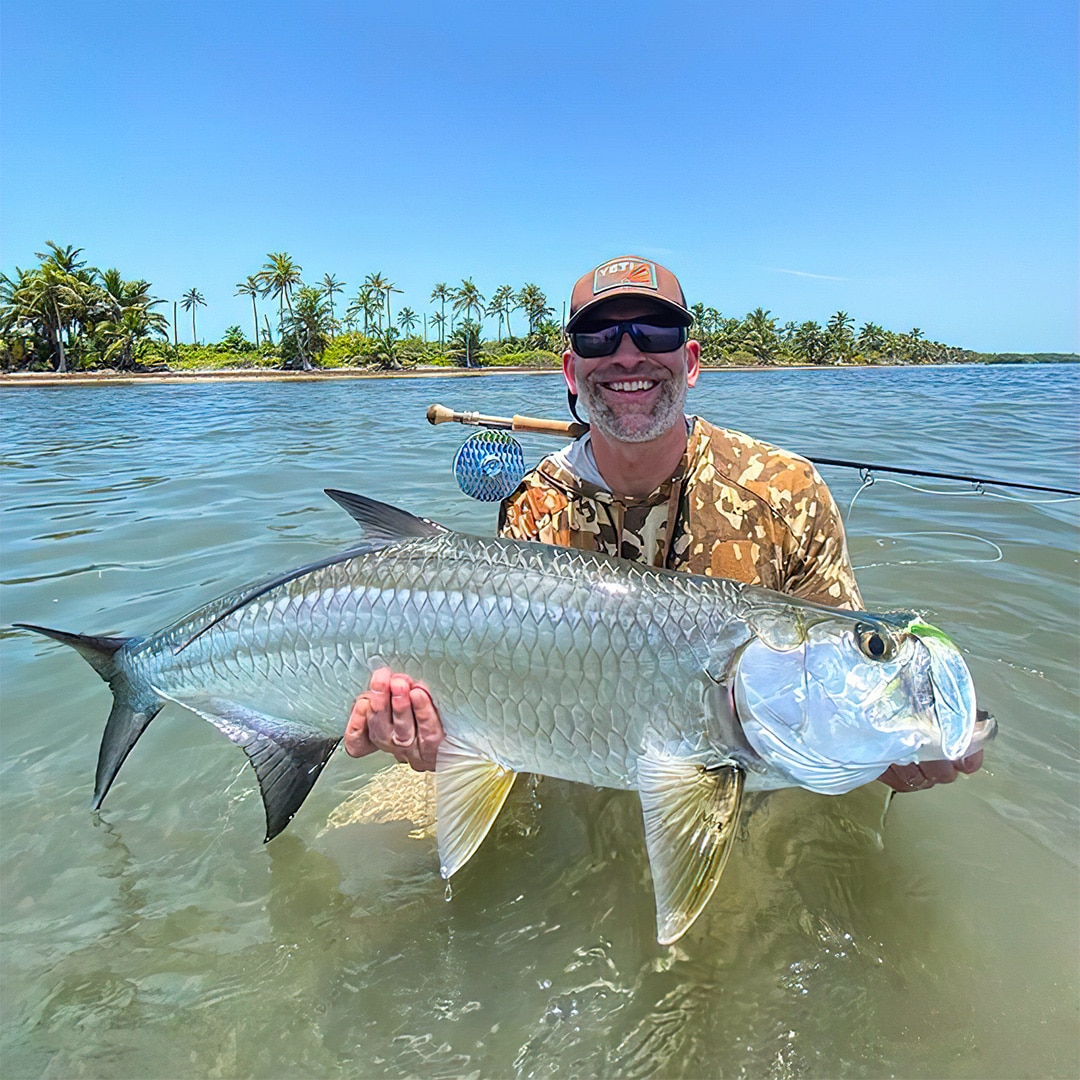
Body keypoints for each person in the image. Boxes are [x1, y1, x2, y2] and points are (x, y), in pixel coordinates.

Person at [344, 255, 984, 794]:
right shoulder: (533, 503)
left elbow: (818, 686)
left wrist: (879, 758)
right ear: (572, 371)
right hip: (579, 761)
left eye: (654, 332)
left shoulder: (786, 491)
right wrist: (438, 734)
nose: (627, 356)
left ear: (692, 361)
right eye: (599, 339)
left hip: (737, 772)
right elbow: (511, 688)